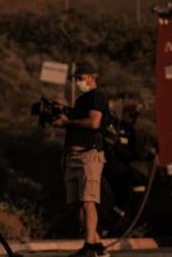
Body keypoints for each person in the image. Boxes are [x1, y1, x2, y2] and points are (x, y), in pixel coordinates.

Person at [51, 62, 110, 257]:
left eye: (79, 78)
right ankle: (97, 245)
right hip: (74, 157)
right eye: (75, 79)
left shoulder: (96, 96)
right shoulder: (82, 100)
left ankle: (89, 247)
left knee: (88, 201)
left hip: (89, 156)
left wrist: (66, 122)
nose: (77, 82)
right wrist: (64, 110)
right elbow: (79, 118)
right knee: (77, 204)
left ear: (91, 77)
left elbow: (93, 122)